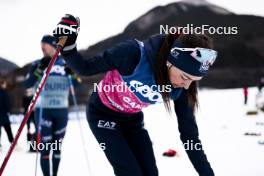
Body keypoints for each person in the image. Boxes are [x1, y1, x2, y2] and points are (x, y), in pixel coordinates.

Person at [53, 14, 217, 176]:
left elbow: (190, 137)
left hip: (131, 120)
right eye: (184, 77)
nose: (187, 85)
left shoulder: (183, 88)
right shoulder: (133, 54)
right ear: (170, 61)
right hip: (102, 115)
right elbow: (86, 68)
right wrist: (68, 47)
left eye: (194, 80)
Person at [23, 35, 80, 176]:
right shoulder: (37, 64)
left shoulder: (65, 63)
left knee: (57, 147)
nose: (42, 48)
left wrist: (72, 74)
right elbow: (27, 84)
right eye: (41, 46)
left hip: (61, 111)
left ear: (53, 46)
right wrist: (38, 71)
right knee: (45, 147)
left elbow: (78, 83)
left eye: (45, 45)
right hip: (44, 110)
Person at [0, 78, 14, 147]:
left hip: (3, 113)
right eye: (4, 84)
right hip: (3, 114)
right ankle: (12, 142)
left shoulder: (3, 91)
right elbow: (7, 103)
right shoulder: (3, 92)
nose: (5, 85)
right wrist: (8, 110)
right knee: (8, 129)